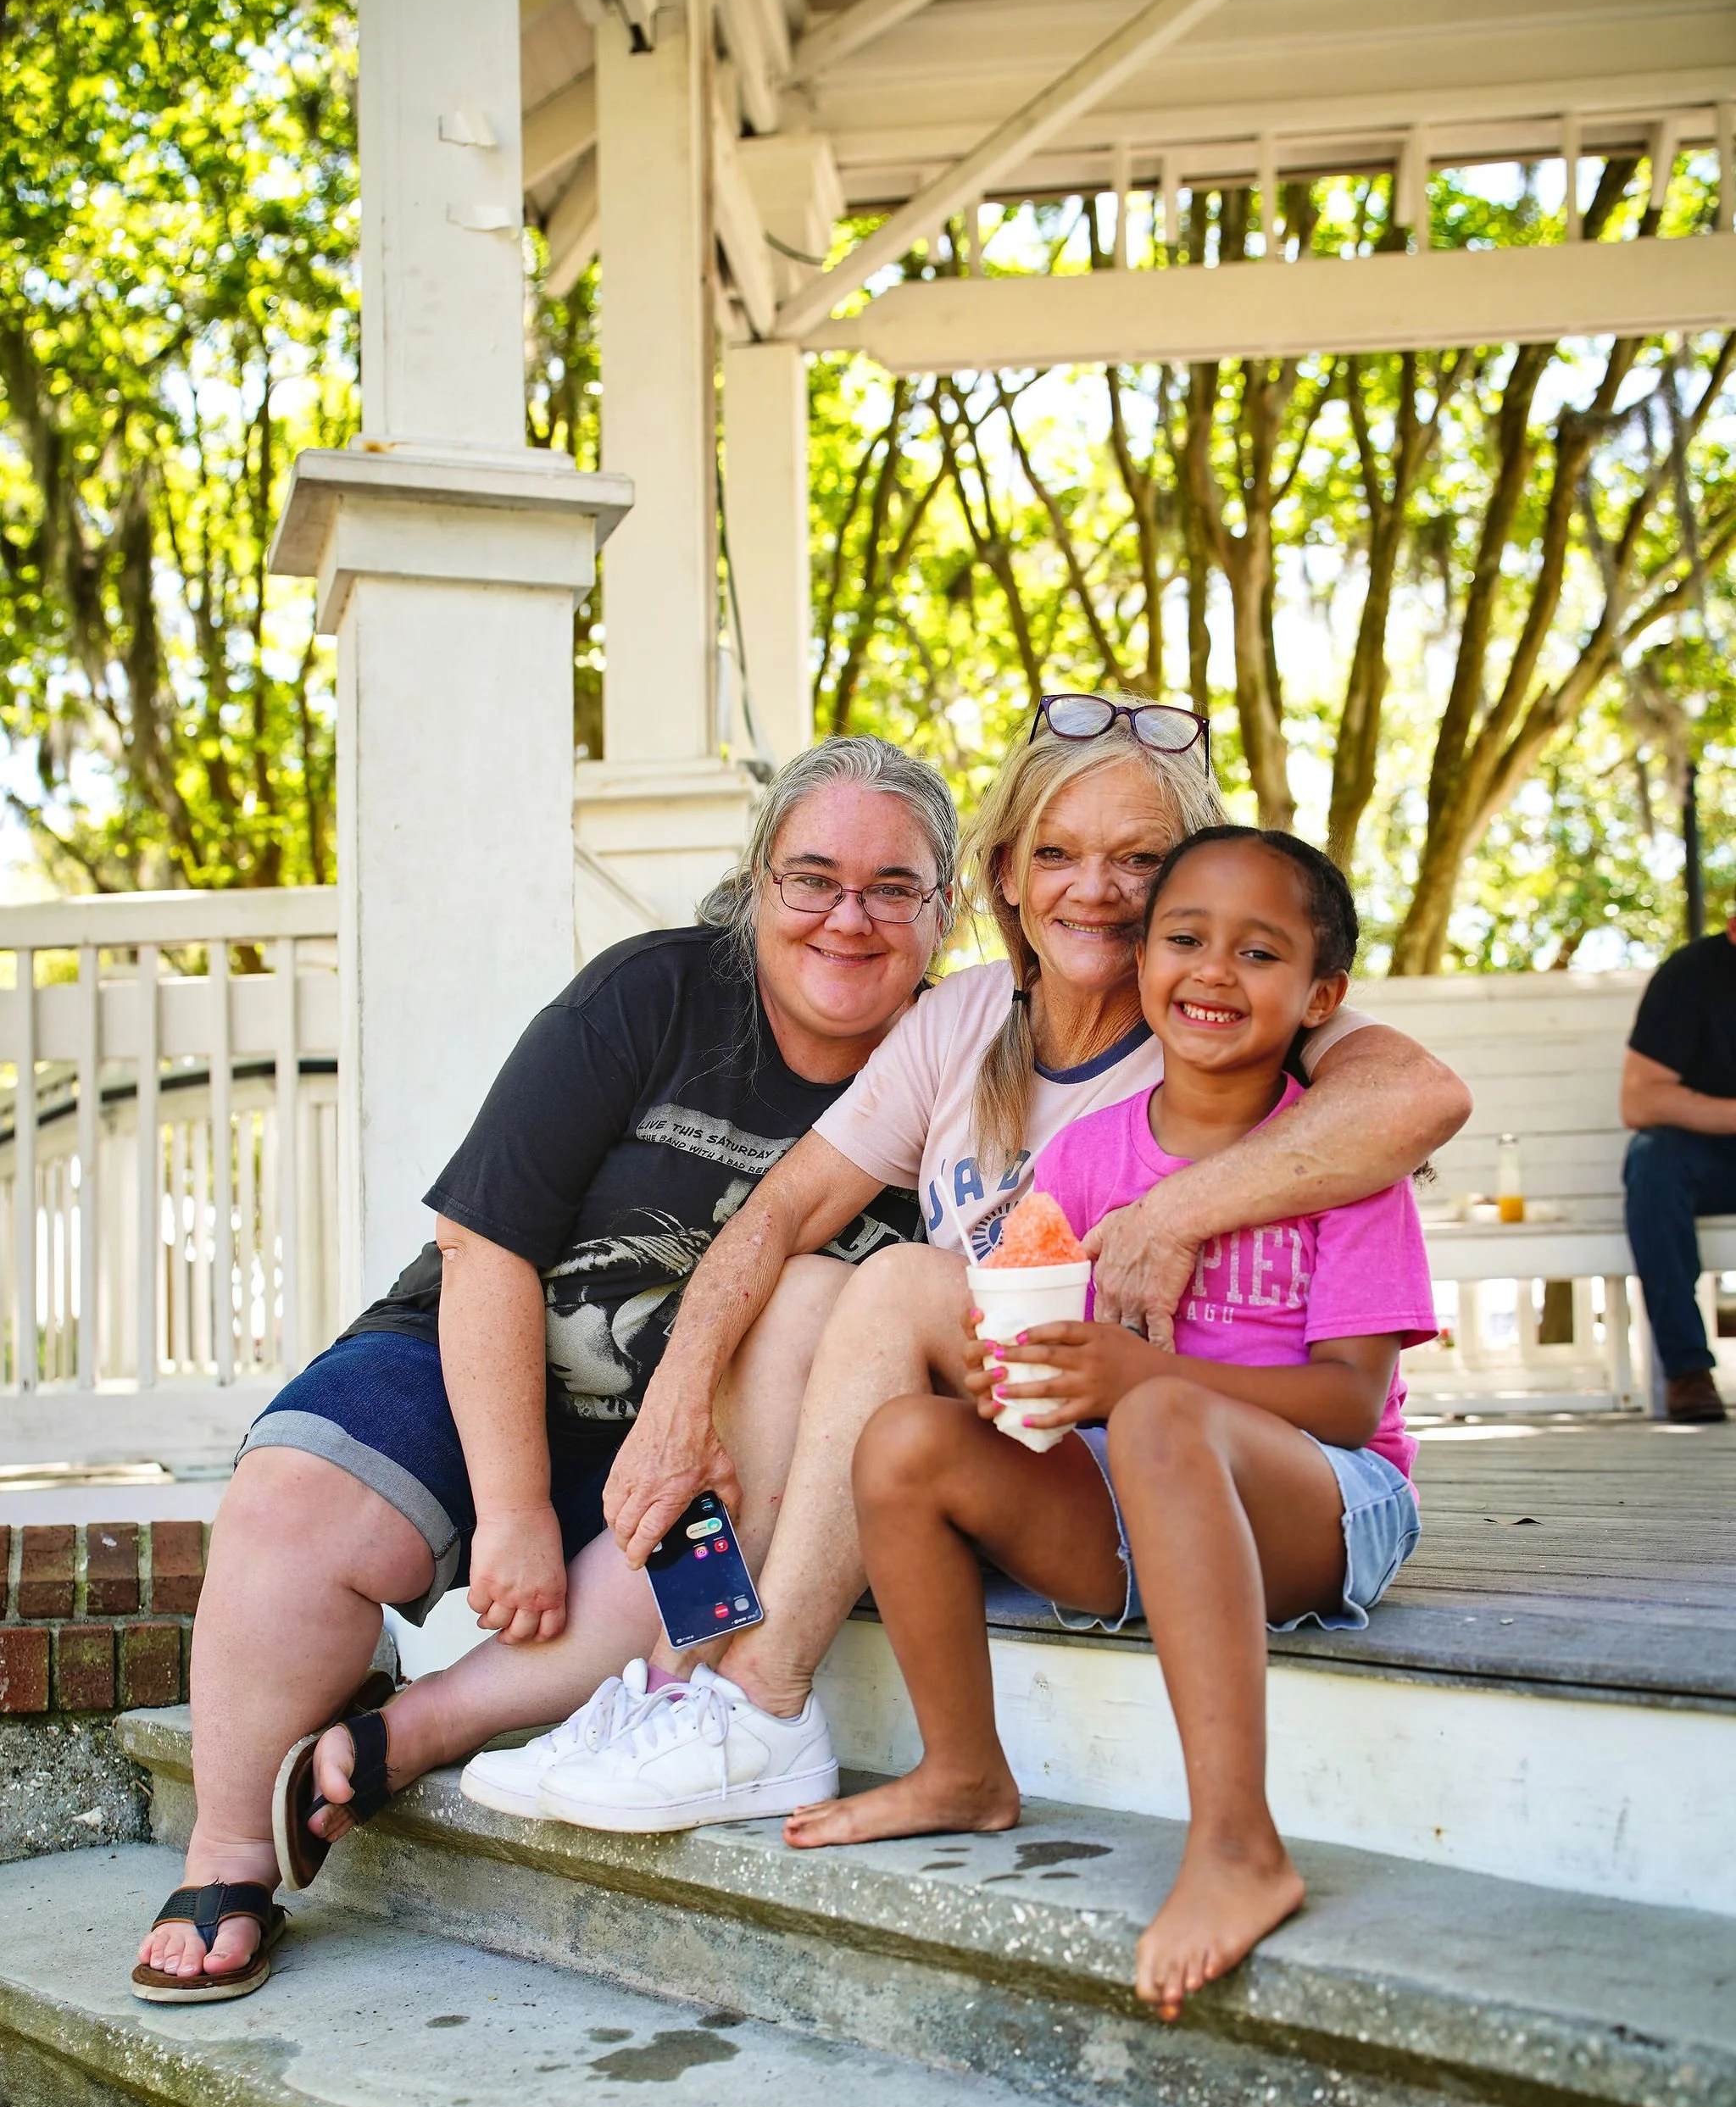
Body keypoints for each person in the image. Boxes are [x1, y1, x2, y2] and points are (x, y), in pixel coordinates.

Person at [528, 699, 1470, 1834]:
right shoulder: (980, 1038)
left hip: (1209, 1452)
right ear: (1010, 874)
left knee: (888, 1286)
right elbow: (775, 1219)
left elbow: (1418, 1105)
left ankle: (758, 1699)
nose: (1098, 890)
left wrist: (1174, 1213)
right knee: (800, 1299)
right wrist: (674, 1404)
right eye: (1060, 854)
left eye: (1143, 862)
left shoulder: (1247, 1023)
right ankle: (682, 1684)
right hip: (1055, 1451)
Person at [131, 736, 958, 2000]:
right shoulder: (655, 995)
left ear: (942, 911)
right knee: (294, 1494)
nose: (849, 917)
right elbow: (489, 1244)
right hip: (484, 1359)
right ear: (756, 885)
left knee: (802, 1329)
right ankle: (233, 1847)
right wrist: (511, 1508)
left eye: (893, 887)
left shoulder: (944, 1075)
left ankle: (411, 1732)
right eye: (813, 878)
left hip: (707, 1447)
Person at [786, 827, 1438, 2023]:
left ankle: (1239, 1842)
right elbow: (1058, 1351)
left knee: (1159, 1415)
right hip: (1147, 1494)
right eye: (1184, 939)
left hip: (1331, 1501)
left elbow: (1354, 1403)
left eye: (1259, 952)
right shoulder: (1088, 1156)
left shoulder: (1346, 1166)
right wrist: (1013, 1384)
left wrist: (1134, 1377)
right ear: (1142, 964)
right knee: (907, 1444)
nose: (1212, 972)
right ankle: (963, 1770)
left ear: (1321, 996)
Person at [1621, 913, 1736, 1424]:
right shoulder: (1691, 974)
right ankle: (1688, 1370)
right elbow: (1640, 1101)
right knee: (1651, 1159)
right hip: (1709, 1160)